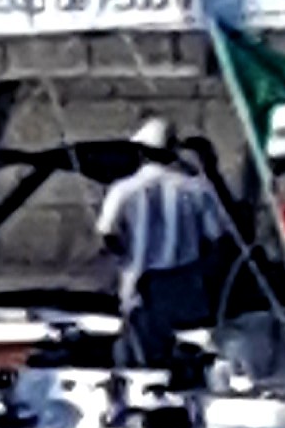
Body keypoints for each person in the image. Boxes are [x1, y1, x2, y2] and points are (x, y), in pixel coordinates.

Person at [96, 118, 228, 367]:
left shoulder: (123, 190)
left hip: (141, 290)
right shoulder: (197, 188)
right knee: (190, 358)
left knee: (142, 362)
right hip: (187, 289)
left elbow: (107, 236)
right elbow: (217, 239)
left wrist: (124, 260)